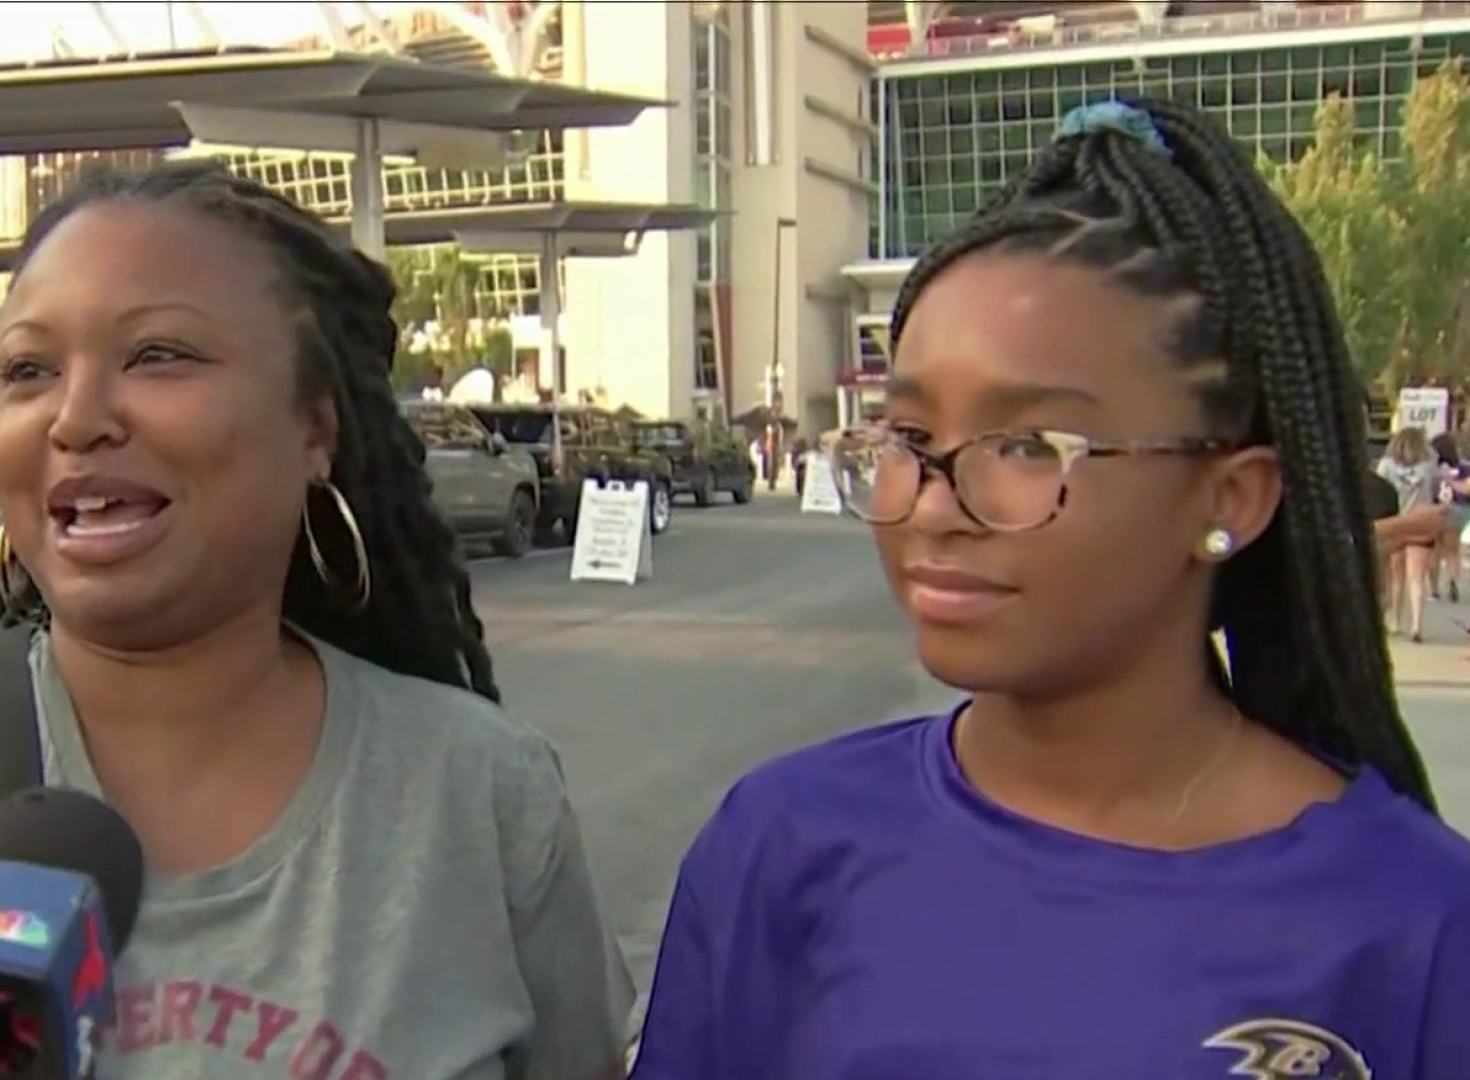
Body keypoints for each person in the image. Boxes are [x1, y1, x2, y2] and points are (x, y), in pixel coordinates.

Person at [0, 161, 633, 1080]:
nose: (75, 418)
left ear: (315, 425)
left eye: (158, 355)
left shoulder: (482, 797)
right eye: (28, 371)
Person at [630, 98, 1470, 1078]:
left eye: (1026, 445)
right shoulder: (782, 847)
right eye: (909, 438)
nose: (934, 504)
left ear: (1230, 497)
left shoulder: (1413, 923)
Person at [1378, 426, 1443, 640]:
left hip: (1396, 522)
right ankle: (1416, 624)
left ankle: (1395, 620)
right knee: (1417, 577)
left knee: (1396, 577)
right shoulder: (1428, 466)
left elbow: (1378, 490)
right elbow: (1437, 489)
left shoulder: (1386, 465)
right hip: (1421, 524)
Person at [1429, 430, 1465, 602]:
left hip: (1435, 510)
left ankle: (1434, 589)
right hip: (1457, 509)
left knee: (1434, 551)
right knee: (1453, 551)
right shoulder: (1463, 467)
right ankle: (1453, 581)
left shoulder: (1431, 467)